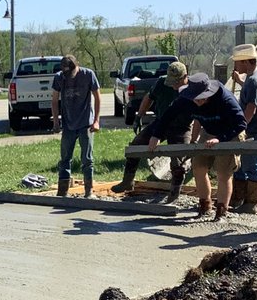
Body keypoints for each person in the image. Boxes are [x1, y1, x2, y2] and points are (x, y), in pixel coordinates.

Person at [152, 72, 246, 222]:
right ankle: (205, 206)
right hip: (209, 131)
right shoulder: (186, 99)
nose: (198, 102)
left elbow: (241, 123)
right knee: (199, 167)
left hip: (230, 133)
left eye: (201, 98)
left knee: (223, 171)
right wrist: (156, 136)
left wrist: (220, 139)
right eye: (195, 98)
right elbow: (168, 114)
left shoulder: (225, 99)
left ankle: (221, 211)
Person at [111, 61, 190, 200]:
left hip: (181, 127)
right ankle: (127, 181)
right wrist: (139, 116)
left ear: (185, 77)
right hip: (160, 122)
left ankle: (174, 191)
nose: (173, 84)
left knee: (179, 160)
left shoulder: (192, 88)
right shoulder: (161, 83)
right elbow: (149, 98)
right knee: (135, 146)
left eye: (176, 81)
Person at [229, 43, 257, 214]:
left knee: (252, 165)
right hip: (256, 127)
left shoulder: (254, 81)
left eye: (238, 62)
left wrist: (241, 128)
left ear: (246, 62)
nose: (236, 65)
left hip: (254, 129)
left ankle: (251, 203)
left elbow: (251, 109)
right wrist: (239, 81)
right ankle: (238, 198)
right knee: (241, 165)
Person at [51, 55, 101, 196]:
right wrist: (56, 121)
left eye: (70, 73)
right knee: (65, 158)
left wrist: (96, 120)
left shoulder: (88, 74)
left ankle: (88, 191)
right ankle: (62, 191)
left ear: (76, 66)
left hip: (86, 123)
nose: (68, 77)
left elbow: (97, 97)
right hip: (68, 124)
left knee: (87, 159)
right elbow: (54, 100)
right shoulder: (59, 77)